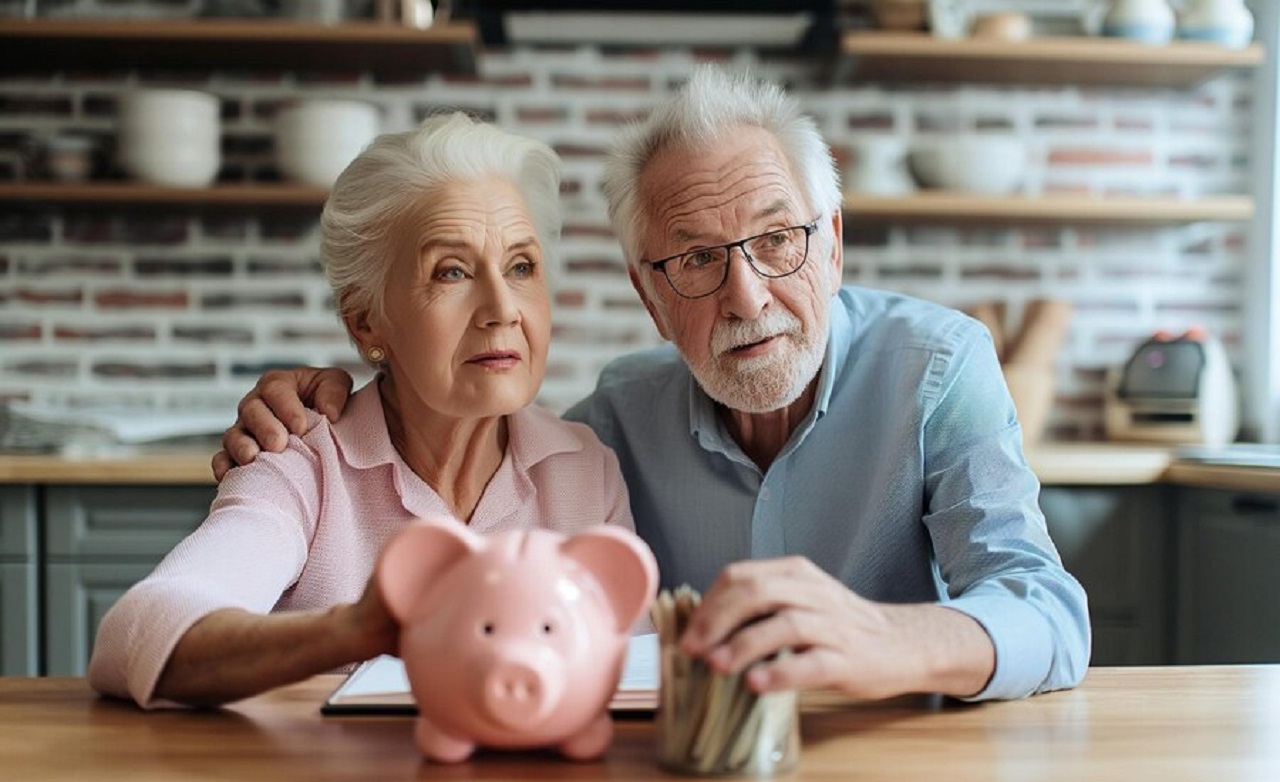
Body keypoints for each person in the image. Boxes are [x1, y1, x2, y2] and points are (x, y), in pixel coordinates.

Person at [216, 66, 1091, 703]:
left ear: (831, 243)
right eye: (698, 259)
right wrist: (322, 393)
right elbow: (470, 428)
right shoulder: (611, 428)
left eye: (777, 240)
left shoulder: (939, 368)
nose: (747, 297)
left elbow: (1048, 612)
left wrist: (883, 636)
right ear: (651, 297)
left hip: (902, 775)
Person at [88, 113, 633, 709]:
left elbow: (628, 680)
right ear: (366, 321)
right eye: (451, 271)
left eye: (521, 267)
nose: (502, 309)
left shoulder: (583, 469)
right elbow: (137, 635)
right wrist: (359, 630)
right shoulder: (301, 462)